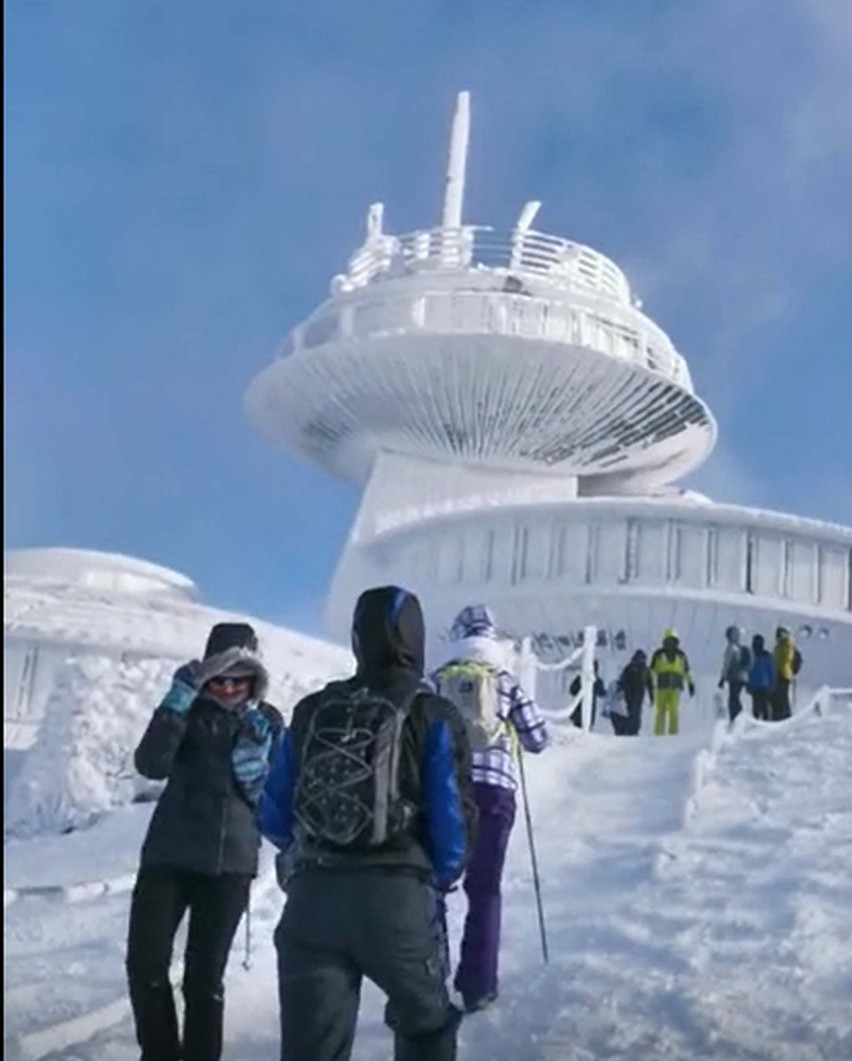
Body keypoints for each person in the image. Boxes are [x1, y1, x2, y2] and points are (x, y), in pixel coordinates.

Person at [260, 586, 477, 1061]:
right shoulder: (431, 713)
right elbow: (453, 833)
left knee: (311, 1048)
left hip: (312, 901)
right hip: (395, 902)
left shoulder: (314, 711)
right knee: (426, 1027)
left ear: (359, 638)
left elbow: (273, 813)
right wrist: (432, 877)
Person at [127, 622, 282, 1061]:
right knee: (145, 967)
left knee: (203, 980)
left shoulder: (267, 723)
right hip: (168, 858)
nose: (228, 687)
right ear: (204, 674)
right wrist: (178, 698)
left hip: (228, 866)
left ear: (255, 678)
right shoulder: (184, 711)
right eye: (219, 677)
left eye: (239, 677)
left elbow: (273, 794)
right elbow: (151, 764)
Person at [433, 604, 547, 1012]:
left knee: (436, 886)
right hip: (496, 793)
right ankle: (478, 985)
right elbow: (537, 738)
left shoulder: (439, 680)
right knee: (485, 890)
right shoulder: (505, 681)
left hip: (447, 791)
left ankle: (429, 976)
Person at [649, 628, 695, 736]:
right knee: (661, 710)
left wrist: (690, 683)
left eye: (673, 641)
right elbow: (652, 670)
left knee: (674, 711)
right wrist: (649, 682)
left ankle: (673, 734)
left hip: (676, 687)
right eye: (669, 641)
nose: (671, 643)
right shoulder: (658, 654)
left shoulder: (681, 655)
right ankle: (658, 733)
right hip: (662, 687)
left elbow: (686, 671)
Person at [717, 625, 750, 725]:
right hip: (743, 676)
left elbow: (727, 664)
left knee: (733, 699)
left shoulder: (731, 648)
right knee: (736, 697)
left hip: (735, 677)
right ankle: (739, 717)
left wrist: (722, 678)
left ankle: (736, 719)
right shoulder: (739, 647)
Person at [616, 650, 654, 735]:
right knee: (631, 712)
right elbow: (622, 679)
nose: (642, 661)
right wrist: (619, 689)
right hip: (629, 693)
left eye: (643, 659)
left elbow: (650, 684)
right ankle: (630, 730)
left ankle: (634, 730)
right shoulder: (630, 668)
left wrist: (652, 697)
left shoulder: (645, 670)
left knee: (636, 712)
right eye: (640, 659)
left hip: (639, 694)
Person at [568, 659, 607, 730]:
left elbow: (602, 693)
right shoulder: (582, 679)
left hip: (584, 712)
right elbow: (572, 690)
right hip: (581, 712)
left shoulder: (591, 680)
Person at [771, 626, 798, 721]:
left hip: (782, 673)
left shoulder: (785, 644)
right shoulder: (784, 645)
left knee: (781, 696)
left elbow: (781, 660)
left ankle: (782, 715)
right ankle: (781, 715)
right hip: (784, 673)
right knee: (781, 696)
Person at [747, 634, 776, 721]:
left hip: (755, 685)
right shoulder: (767, 656)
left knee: (756, 705)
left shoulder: (751, 656)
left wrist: (748, 684)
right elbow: (771, 671)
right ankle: (765, 721)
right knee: (764, 705)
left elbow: (749, 671)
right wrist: (772, 682)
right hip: (764, 684)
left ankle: (756, 721)